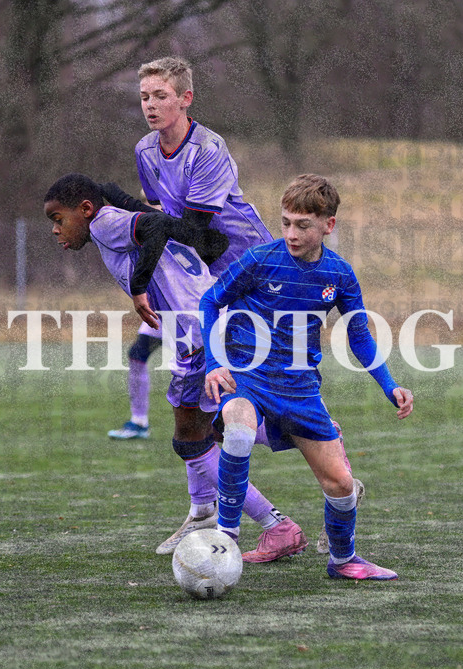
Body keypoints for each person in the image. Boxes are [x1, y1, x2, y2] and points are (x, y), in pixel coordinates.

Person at [102, 56, 365, 556]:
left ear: (186, 99)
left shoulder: (209, 149)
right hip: (199, 288)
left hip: (249, 282)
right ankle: (220, 518)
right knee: (202, 415)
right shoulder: (145, 151)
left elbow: (199, 232)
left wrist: (130, 223)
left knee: (236, 404)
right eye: (144, 97)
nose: (151, 106)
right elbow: (163, 220)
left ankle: (314, 461)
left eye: (161, 95)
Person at [44, 173, 308, 560]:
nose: (55, 229)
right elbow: (149, 218)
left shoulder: (104, 224)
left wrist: (138, 286)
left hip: (199, 336)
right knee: (217, 425)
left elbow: (149, 222)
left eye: (57, 218)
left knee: (191, 438)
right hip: (215, 325)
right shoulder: (114, 217)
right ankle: (301, 437)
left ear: (85, 210)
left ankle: (278, 526)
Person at [200, 174, 414, 580]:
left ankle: (343, 560)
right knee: (239, 431)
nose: (291, 233)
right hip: (247, 376)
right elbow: (211, 301)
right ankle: (224, 539)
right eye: (285, 222)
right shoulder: (260, 260)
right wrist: (215, 363)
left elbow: (359, 335)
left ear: (328, 226)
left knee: (341, 485)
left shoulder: (339, 274)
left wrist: (390, 385)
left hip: (300, 389)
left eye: (303, 225)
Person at [107, 324, 161, 440]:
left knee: (196, 358)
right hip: (160, 314)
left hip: (187, 311)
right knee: (137, 354)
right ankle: (139, 422)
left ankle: (206, 420)